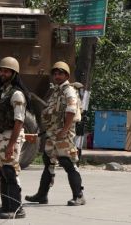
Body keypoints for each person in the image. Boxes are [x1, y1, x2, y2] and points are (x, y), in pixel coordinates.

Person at [25, 61, 86, 206]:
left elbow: (71, 111)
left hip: (63, 134)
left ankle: (79, 196)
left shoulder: (68, 91)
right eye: (55, 73)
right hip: (53, 134)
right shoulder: (56, 91)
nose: (57, 76)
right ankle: (42, 195)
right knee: (48, 163)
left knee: (68, 163)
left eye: (60, 73)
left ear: (66, 75)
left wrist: (64, 130)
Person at [0, 56, 28, 219]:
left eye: (6, 71)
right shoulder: (3, 92)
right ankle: (6, 206)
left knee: (10, 172)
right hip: (0, 137)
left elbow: (19, 121)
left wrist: (11, 145)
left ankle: (17, 209)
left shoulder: (17, 94)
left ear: (14, 73)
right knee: (1, 172)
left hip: (11, 137)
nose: (3, 73)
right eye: (1, 70)